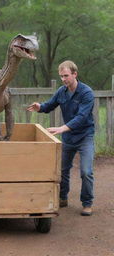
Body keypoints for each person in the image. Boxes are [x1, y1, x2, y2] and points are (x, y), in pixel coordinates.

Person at [27, 60, 95, 217]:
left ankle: (87, 203)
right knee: (62, 170)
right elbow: (49, 105)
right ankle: (62, 198)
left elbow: (82, 117)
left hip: (85, 136)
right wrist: (40, 107)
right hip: (69, 137)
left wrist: (62, 128)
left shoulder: (86, 93)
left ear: (74, 74)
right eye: (61, 76)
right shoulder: (61, 92)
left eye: (66, 76)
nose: (63, 79)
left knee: (86, 171)